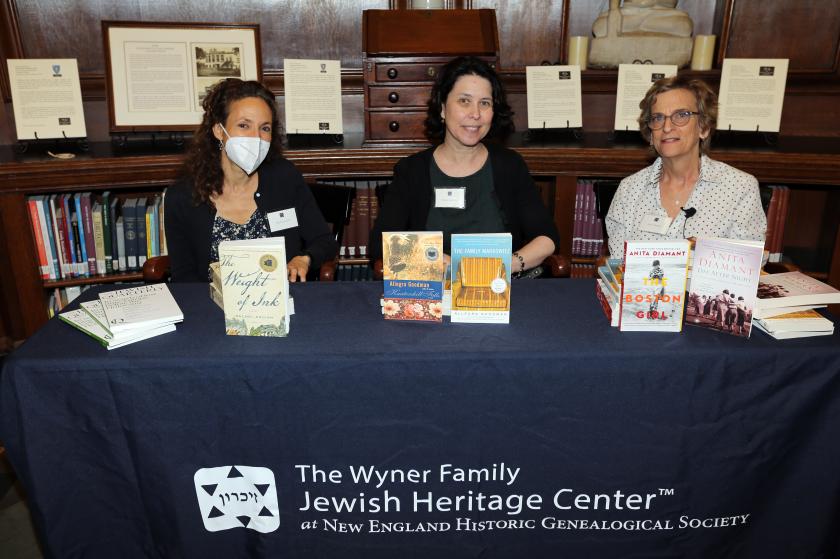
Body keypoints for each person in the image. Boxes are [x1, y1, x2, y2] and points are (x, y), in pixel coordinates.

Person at [369, 56, 558, 276]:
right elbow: (379, 244)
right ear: (442, 108)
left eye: (484, 103)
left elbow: (547, 237)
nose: (475, 114)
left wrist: (508, 265)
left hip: (500, 290)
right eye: (464, 101)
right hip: (433, 290)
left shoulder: (510, 165)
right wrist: (435, 260)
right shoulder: (412, 171)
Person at [165, 79, 336, 282]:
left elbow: (324, 241)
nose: (255, 137)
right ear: (219, 131)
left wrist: (304, 259)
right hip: (213, 306)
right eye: (244, 125)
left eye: (264, 128)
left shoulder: (284, 178)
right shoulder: (182, 196)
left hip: (282, 302)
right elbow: (184, 277)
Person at [605, 76, 766, 259]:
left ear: (703, 127)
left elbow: (746, 267)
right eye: (657, 118)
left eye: (681, 115)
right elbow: (619, 267)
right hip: (643, 288)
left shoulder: (739, 188)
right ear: (651, 133)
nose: (666, 127)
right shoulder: (629, 190)